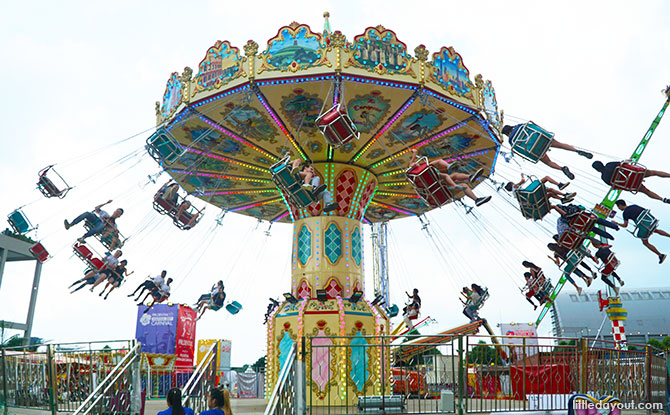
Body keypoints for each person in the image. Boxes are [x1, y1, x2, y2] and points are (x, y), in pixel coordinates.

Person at [501, 124, 593, 179]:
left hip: (535, 150)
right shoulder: (521, 126)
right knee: (560, 145)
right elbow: (536, 127)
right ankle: (576, 151)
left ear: (506, 134)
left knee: (548, 162)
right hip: (542, 139)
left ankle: (561, 168)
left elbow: (521, 152)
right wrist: (546, 134)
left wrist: (534, 157)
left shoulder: (511, 141)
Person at [409, 148, 491, 207]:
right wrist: (413, 152)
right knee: (442, 170)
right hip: (438, 185)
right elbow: (415, 152)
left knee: (460, 181)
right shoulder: (415, 171)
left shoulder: (423, 175)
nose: (418, 164)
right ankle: (449, 168)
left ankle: (476, 197)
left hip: (441, 187)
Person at [614, 200, 669, 264]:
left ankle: (660, 255)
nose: (619, 208)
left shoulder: (625, 213)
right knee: (655, 230)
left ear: (620, 205)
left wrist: (617, 223)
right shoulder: (634, 205)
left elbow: (625, 225)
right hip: (649, 222)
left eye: (618, 207)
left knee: (645, 242)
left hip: (644, 227)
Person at [592, 160, 670, 203]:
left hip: (631, 184)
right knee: (654, 172)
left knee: (646, 191)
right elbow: (623, 163)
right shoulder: (609, 164)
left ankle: (662, 199)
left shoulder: (604, 178)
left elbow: (615, 187)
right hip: (635, 174)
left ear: (597, 170)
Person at [505, 173, 576, 205]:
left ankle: (563, 198)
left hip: (532, 198)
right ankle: (559, 185)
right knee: (546, 178)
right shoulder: (515, 187)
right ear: (511, 185)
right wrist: (522, 175)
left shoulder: (516, 195)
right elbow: (523, 181)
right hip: (531, 192)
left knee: (549, 191)